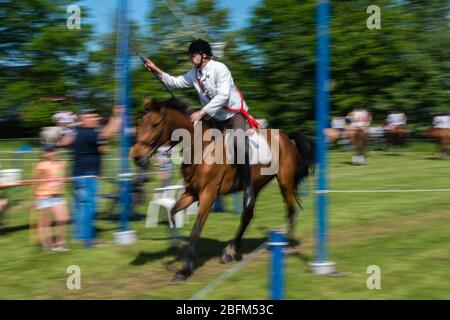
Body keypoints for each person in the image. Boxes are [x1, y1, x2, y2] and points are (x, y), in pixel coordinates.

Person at [143, 39, 259, 209]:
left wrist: (202, 112)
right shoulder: (194, 73)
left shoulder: (220, 69)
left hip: (232, 114)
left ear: (204, 55)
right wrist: (155, 69)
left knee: (237, 143)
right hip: (214, 116)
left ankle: (248, 188)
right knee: (191, 134)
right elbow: (174, 82)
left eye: (193, 54)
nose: (191, 57)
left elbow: (223, 96)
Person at [58, 106, 121, 246]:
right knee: (89, 208)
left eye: (96, 116)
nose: (95, 119)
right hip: (87, 177)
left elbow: (98, 147)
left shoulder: (75, 132)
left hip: (77, 175)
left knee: (80, 207)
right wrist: (116, 116)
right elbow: (108, 134)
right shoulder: (89, 132)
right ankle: (88, 239)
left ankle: (79, 236)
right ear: (82, 119)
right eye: (91, 117)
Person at [32, 144, 69, 252]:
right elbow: (35, 182)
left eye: (53, 151)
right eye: (48, 151)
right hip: (44, 196)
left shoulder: (60, 164)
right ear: (44, 154)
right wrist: (34, 198)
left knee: (63, 219)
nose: (52, 153)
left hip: (58, 196)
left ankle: (60, 243)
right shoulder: (41, 165)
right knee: (45, 223)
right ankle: (47, 246)